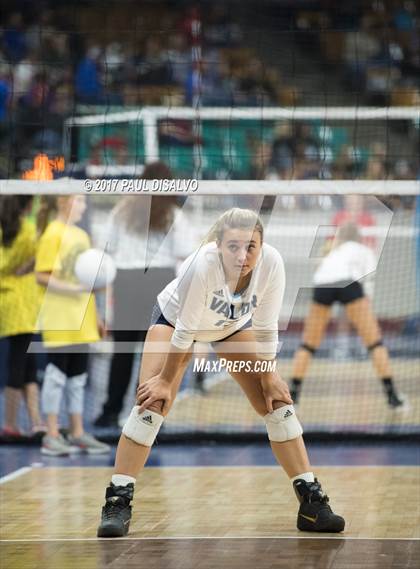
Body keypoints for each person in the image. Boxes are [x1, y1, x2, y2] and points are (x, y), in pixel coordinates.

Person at [97, 208, 345, 537]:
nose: (243, 255)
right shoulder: (201, 265)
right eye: (233, 246)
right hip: (172, 323)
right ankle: (118, 501)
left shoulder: (271, 264)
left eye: (251, 246)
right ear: (218, 245)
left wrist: (270, 378)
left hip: (228, 327)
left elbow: (267, 327)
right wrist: (166, 383)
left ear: (262, 245)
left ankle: (311, 502)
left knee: (277, 402)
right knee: (151, 405)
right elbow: (184, 334)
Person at [94, 162, 183, 428]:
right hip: (159, 282)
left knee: (122, 351)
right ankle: (149, 412)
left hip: (127, 280)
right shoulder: (176, 214)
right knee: (153, 353)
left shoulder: (123, 210)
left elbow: (106, 248)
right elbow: (184, 254)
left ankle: (110, 411)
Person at [289, 223, 405, 408]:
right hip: (349, 284)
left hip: (322, 287)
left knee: (308, 344)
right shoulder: (363, 249)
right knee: (374, 343)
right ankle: (392, 397)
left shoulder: (332, 251)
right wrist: (366, 299)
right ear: (358, 236)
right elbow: (368, 279)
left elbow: (319, 274)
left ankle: (293, 395)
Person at [35, 195, 110, 456]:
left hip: (83, 318)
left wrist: (97, 316)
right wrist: (72, 289)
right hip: (59, 317)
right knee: (55, 377)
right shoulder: (52, 234)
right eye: (80, 201)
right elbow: (41, 275)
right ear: (64, 202)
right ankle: (51, 434)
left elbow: (88, 281)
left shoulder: (82, 236)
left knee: (78, 379)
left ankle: (77, 433)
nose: (84, 206)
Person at [0, 195, 44, 436]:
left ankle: (36, 422)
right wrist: (26, 267)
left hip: (6, 303)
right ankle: (10, 424)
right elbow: (42, 256)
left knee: (27, 364)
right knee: (18, 364)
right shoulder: (28, 230)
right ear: (27, 206)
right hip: (24, 304)